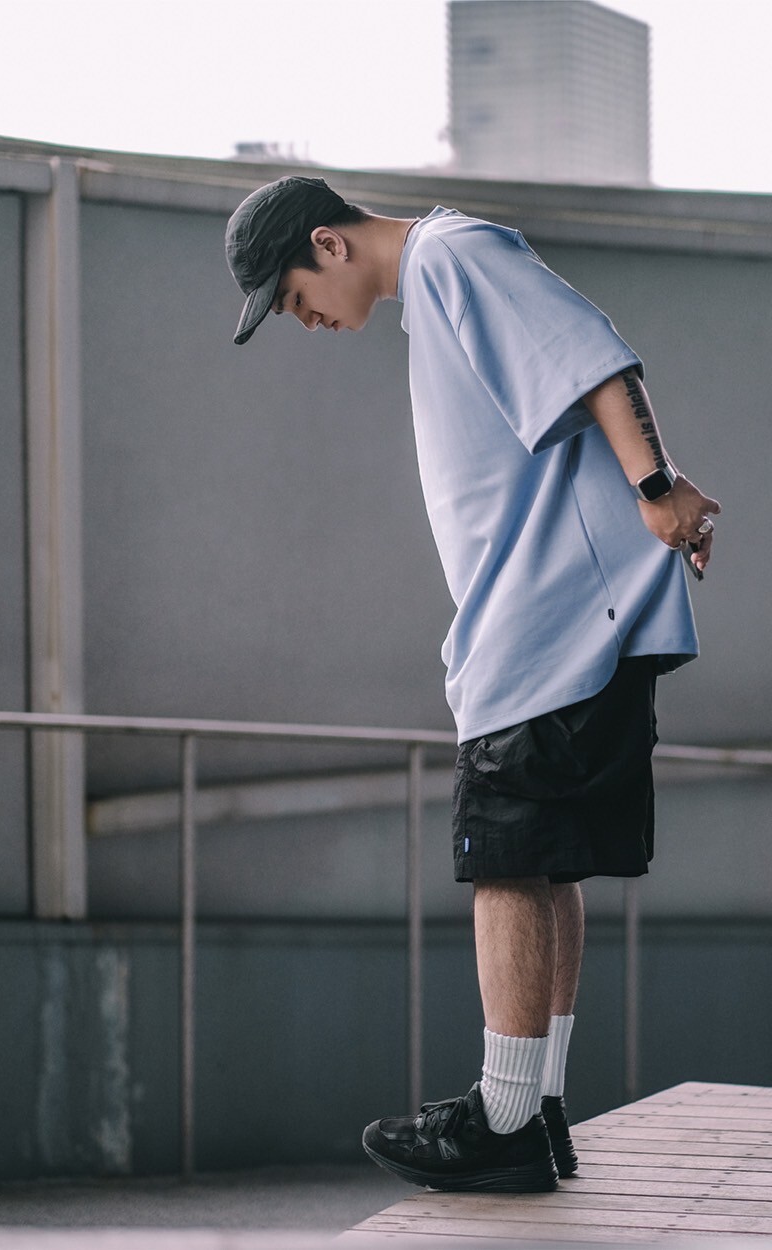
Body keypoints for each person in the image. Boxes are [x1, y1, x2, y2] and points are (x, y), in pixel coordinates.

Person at [225, 176, 720, 1195]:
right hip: (561, 623)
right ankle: (536, 1106)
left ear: (328, 243)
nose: (303, 320)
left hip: (548, 628)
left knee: (505, 865)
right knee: (546, 864)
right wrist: (654, 488)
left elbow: (593, 354)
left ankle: (504, 1117)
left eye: (292, 297)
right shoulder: (441, 280)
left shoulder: (452, 256)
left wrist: (655, 486)